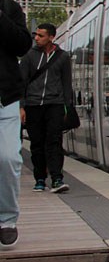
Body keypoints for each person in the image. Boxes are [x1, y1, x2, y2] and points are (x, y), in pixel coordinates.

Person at [20, 23, 74, 193]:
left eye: (41, 35)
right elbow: (21, 83)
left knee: (54, 141)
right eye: (36, 35)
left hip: (55, 105)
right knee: (37, 143)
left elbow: (66, 83)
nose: (36, 38)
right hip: (33, 105)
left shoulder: (63, 57)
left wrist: (67, 106)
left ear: (51, 37)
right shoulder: (29, 56)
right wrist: (21, 106)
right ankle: (40, 179)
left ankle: (57, 178)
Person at [1, 0, 33, 248]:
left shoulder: (9, 8)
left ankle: (7, 220)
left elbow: (22, 45)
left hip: (6, 97)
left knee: (8, 158)